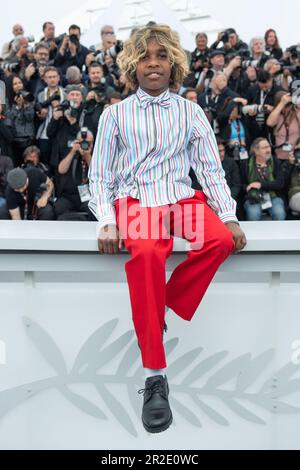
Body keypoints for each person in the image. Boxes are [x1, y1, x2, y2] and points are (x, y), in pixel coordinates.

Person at [88, 24, 247, 434]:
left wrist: (227, 214)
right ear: (133, 65)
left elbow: (209, 169)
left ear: (173, 63)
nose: (153, 64)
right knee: (146, 254)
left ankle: (159, 304)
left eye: (160, 57)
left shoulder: (191, 112)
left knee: (218, 240)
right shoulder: (115, 114)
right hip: (136, 201)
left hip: (179, 199)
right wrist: (106, 220)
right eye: (144, 57)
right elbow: (101, 175)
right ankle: (155, 377)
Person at [241, 138, 286, 221]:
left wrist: (261, 185)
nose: (268, 150)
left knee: (279, 213)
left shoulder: (275, 161)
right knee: (253, 214)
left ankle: (278, 234)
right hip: (253, 197)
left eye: (268, 147)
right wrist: (248, 187)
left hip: (273, 196)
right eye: (264, 148)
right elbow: (241, 184)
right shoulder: (246, 164)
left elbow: (280, 183)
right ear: (256, 151)